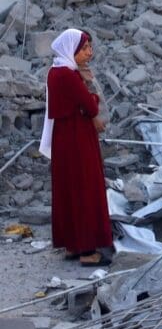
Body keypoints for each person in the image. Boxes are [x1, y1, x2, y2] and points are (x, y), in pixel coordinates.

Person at [41, 29, 113, 266]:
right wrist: (93, 99)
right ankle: (88, 251)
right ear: (70, 49)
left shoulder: (55, 72)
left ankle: (72, 245)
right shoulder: (69, 76)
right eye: (84, 49)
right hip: (78, 137)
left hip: (64, 137)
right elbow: (90, 107)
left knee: (68, 189)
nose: (88, 53)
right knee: (85, 188)